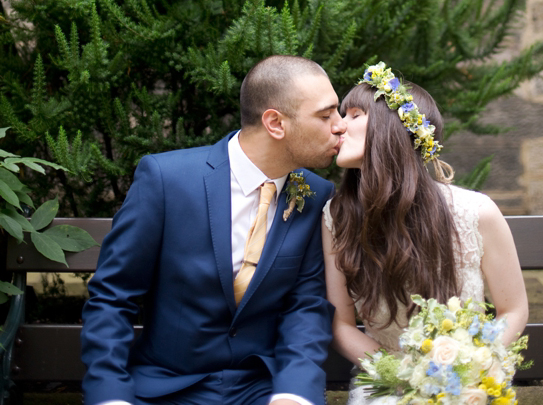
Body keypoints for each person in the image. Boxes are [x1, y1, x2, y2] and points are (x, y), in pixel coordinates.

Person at [81, 55, 347, 405]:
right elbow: (113, 297)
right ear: (275, 123)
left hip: (261, 390)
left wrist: (294, 393)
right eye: (326, 115)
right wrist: (110, 396)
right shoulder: (166, 181)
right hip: (166, 388)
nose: (341, 126)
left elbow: (306, 307)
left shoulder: (314, 195)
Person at [322, 62, 529, 404]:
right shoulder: (336, 216)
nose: (339, 125)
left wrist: (466, 368)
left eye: (355, 114)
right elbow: (342, 326)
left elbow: (514, 310)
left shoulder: (477, 213)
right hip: (385, 379)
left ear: (391, 129)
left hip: (465, 381)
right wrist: (402, 376)